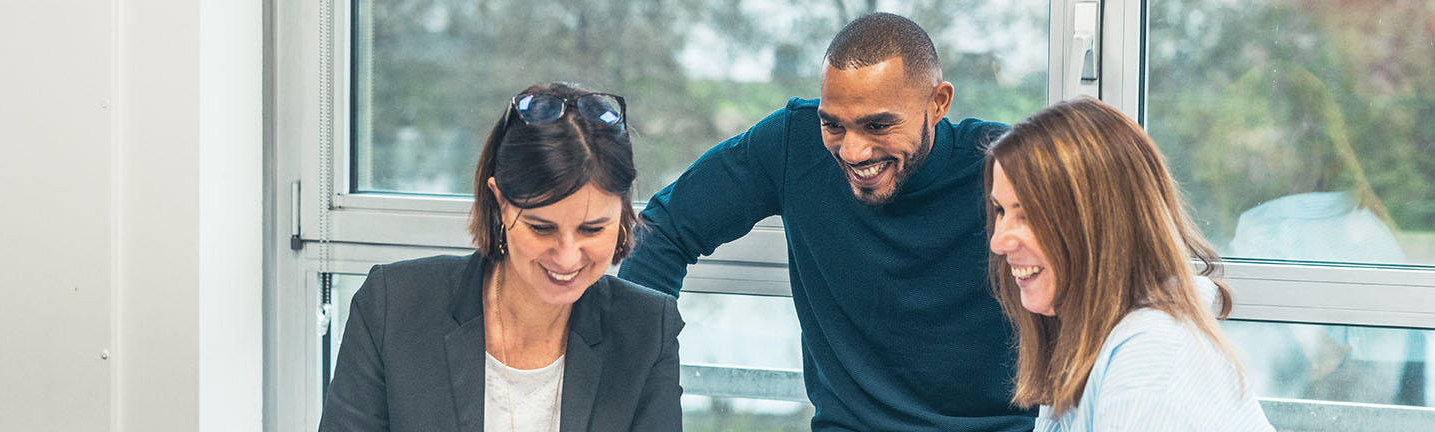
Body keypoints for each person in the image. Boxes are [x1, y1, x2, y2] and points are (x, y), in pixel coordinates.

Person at [617, 12, 1032, 431]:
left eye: (878, 124)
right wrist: (636, 384)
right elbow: (665, 228)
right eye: (833, 124)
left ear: (938, 103)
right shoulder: (791, 145)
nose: (852, 151)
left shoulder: (1006, 164)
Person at [320, 83, 683, 431]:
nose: (568, 256)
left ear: (622, 213)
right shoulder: (393, 306)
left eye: (591, 230)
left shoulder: (648, 330)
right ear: (499, 203)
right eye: (542, 228)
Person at [984, 98, 1274, 430]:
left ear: (1098, 225)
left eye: (1029, 215)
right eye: (1002, 211)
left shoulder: (1149, 369)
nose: (998, 241)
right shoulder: (1089, 339)